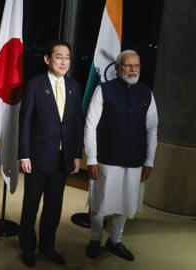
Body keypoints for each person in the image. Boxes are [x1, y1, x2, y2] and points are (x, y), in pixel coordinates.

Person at [84, 50, 158, 261]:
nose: (133, 70)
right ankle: (96, 238)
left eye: (137, 65)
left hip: (135, 160)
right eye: (128, 65)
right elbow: (90, 126)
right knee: (99, 202)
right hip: (106, 159)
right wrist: (91, 158)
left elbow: (152, 128)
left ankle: (115, 240)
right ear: (117, 68)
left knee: (127, 202)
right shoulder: (103, 90)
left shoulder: (146, 92)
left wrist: (149, 160)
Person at [18, 40, 84, 267]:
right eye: (59, 57)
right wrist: (24, 155)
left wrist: (76, 154)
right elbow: (25, 122)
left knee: (54, 207)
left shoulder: (75, 86)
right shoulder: (35, 85)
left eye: (67, 57)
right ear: (47, 59)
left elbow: (76, 124)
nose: (64, 61)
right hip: (37, 157)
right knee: (31, 206)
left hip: (62, 159)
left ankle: (47, 246)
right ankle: (27, 247)